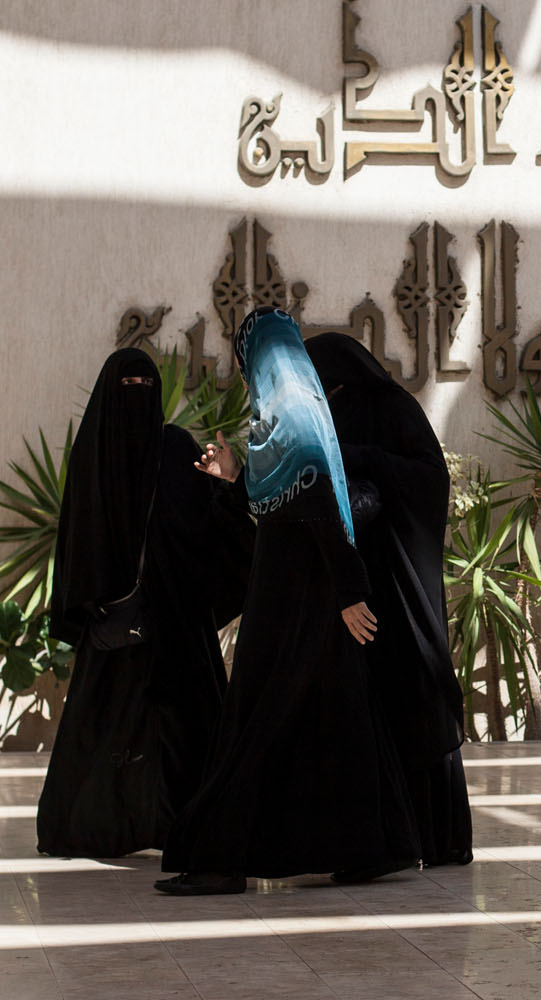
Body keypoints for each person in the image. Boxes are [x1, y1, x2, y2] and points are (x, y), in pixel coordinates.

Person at [156, 307, 418, 895]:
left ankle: (220, 860)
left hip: (299, 598)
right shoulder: (290, 415)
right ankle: (371, 847)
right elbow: (286, 497)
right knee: (338, 714)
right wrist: (236, 475)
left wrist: (350, 591)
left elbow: (319, 498)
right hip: (306, 590)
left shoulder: (291, 413)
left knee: (255, 713)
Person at [37, 349, 255, 859]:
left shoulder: (170, 449)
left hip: (167, 623)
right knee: (117, 733)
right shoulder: (97, 452)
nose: (136, 392)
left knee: (172, 734)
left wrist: (229, 487)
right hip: (123, 622)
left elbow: (205, 525)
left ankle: (176, 828)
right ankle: (108, 828)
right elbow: (79, 535)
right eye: (128, 384)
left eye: (144, 383)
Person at [305, 333, 474, 867]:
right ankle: (378, 845)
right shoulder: (323, 414)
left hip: (402, 582)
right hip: (359, 586)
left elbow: (429, 477)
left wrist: (360, 456)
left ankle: (437, 839)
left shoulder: (393, 407)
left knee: (415, 696)